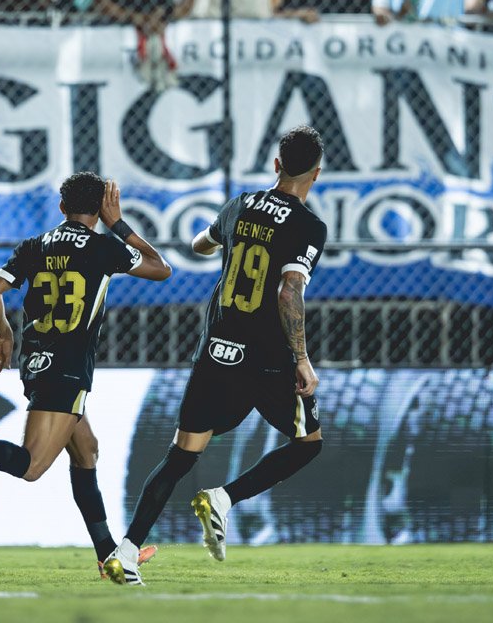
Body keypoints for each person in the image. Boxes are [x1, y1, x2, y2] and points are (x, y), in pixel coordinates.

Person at [0, 173, 172, 578]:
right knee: (31, 467)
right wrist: (118, 225)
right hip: (67, 370)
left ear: (62, 208)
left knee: (87, 452)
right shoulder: (104, 247)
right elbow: (161, 269)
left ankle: (106, 555)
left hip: (37, 363)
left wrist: (5, 335)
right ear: (99, 209)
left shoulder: (35, 246)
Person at [102, 126, 327, 586]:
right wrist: (302, 357)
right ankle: (224, 498)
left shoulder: (239, 205)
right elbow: (289, 290)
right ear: (316, 174)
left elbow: (199, 245)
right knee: (308, 443)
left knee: (182, 453)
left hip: (216, 350)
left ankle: (124, 553)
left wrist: (221, 240)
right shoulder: (309, 226)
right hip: (268, 359)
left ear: (277, 165)